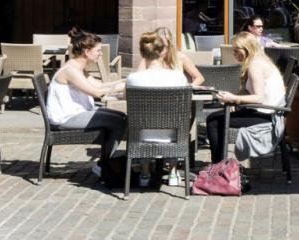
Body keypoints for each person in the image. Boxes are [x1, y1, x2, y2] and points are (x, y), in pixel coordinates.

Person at [44, 28, 127, 178]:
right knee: (118, 122)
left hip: (77, 112)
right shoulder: (71, 70)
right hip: (66, 118)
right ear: (87, 52)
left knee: (121, 117)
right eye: (98, 51)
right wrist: (118, 88)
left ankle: (105, 161)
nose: (101, 54)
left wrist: (124, 81)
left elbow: (100, 85)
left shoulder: (78, 68)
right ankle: (104, 165)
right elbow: (96, 92)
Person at [205, 32, 286, 166]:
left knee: (213, 120)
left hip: (266, 115)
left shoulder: (255, 65)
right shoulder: (259, 60)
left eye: (236, 50)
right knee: (216, 117)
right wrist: (233, 100)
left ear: (246, 50)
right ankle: (220, 163)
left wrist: (234, 99)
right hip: (267, 112)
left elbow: (259, 98)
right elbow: (251, 91)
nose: (234, 54)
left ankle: (218, 166)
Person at [125, 29, 193, 188]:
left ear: (142, 53)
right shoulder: (178, 77)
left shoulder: (133, 79)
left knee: (140, 123)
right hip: (173, 134)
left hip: (141, 134)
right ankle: (173, 172)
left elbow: (124, 97)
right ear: (163, 51)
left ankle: (145, 172)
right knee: (179, 119)